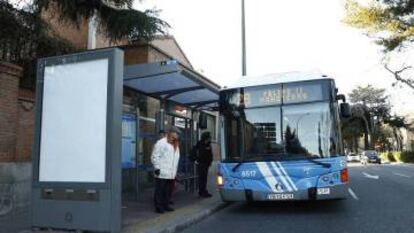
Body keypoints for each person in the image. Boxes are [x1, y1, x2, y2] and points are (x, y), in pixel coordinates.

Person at [151, 127, 180, 213]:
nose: (177, 136)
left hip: (171, 173)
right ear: (171, 133)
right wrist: (157, 168)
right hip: (162, 172)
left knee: (168, 191)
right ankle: (158, 207)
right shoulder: (161, 143)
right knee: (160, 191)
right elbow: (155, 156)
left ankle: (166, 205)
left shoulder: (175, 144)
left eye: (178, 135)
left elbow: (175, 159)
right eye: (176, 134)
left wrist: (175, 171)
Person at [191, 131, 213, 198]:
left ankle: (203, 191)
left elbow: (209, 154)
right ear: (206, 137)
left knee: (204, 178)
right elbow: (192, 152)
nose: (211, 138)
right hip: (201, 164)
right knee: (202, 178)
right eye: (210, 137)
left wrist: (210, 162)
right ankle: (202, 192)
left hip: (206, 164)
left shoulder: (208, 144)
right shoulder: (199, 144)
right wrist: (195, 160)